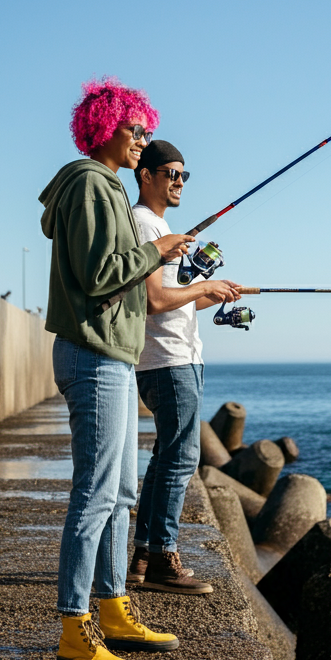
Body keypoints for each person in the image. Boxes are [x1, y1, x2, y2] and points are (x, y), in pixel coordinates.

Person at [39, 77, 195, 660]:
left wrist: (160, 253)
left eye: (145, 131)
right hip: (95, 354)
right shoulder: (89, 185)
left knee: (123, 494)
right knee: (96, 494)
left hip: (114, 357)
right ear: (107, 128)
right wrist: (160, 252)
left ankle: (113, 608)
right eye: (135, 130)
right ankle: (75, 628)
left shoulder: (100, 187)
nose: (142, 141)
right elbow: (102, 274)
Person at [128, 140, 242, 594]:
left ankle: (143, 555)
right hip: (168, 360)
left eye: (183, 175)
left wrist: (204, 291)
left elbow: (164, 295)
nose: (178, 181)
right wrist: (202, 289)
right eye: (171, 173)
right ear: (146, 176)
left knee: (165, 458)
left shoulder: (160, 225)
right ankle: (163, 559)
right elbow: (154, 302)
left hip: (176, 358)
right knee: (181, 459)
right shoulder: (144, 224)